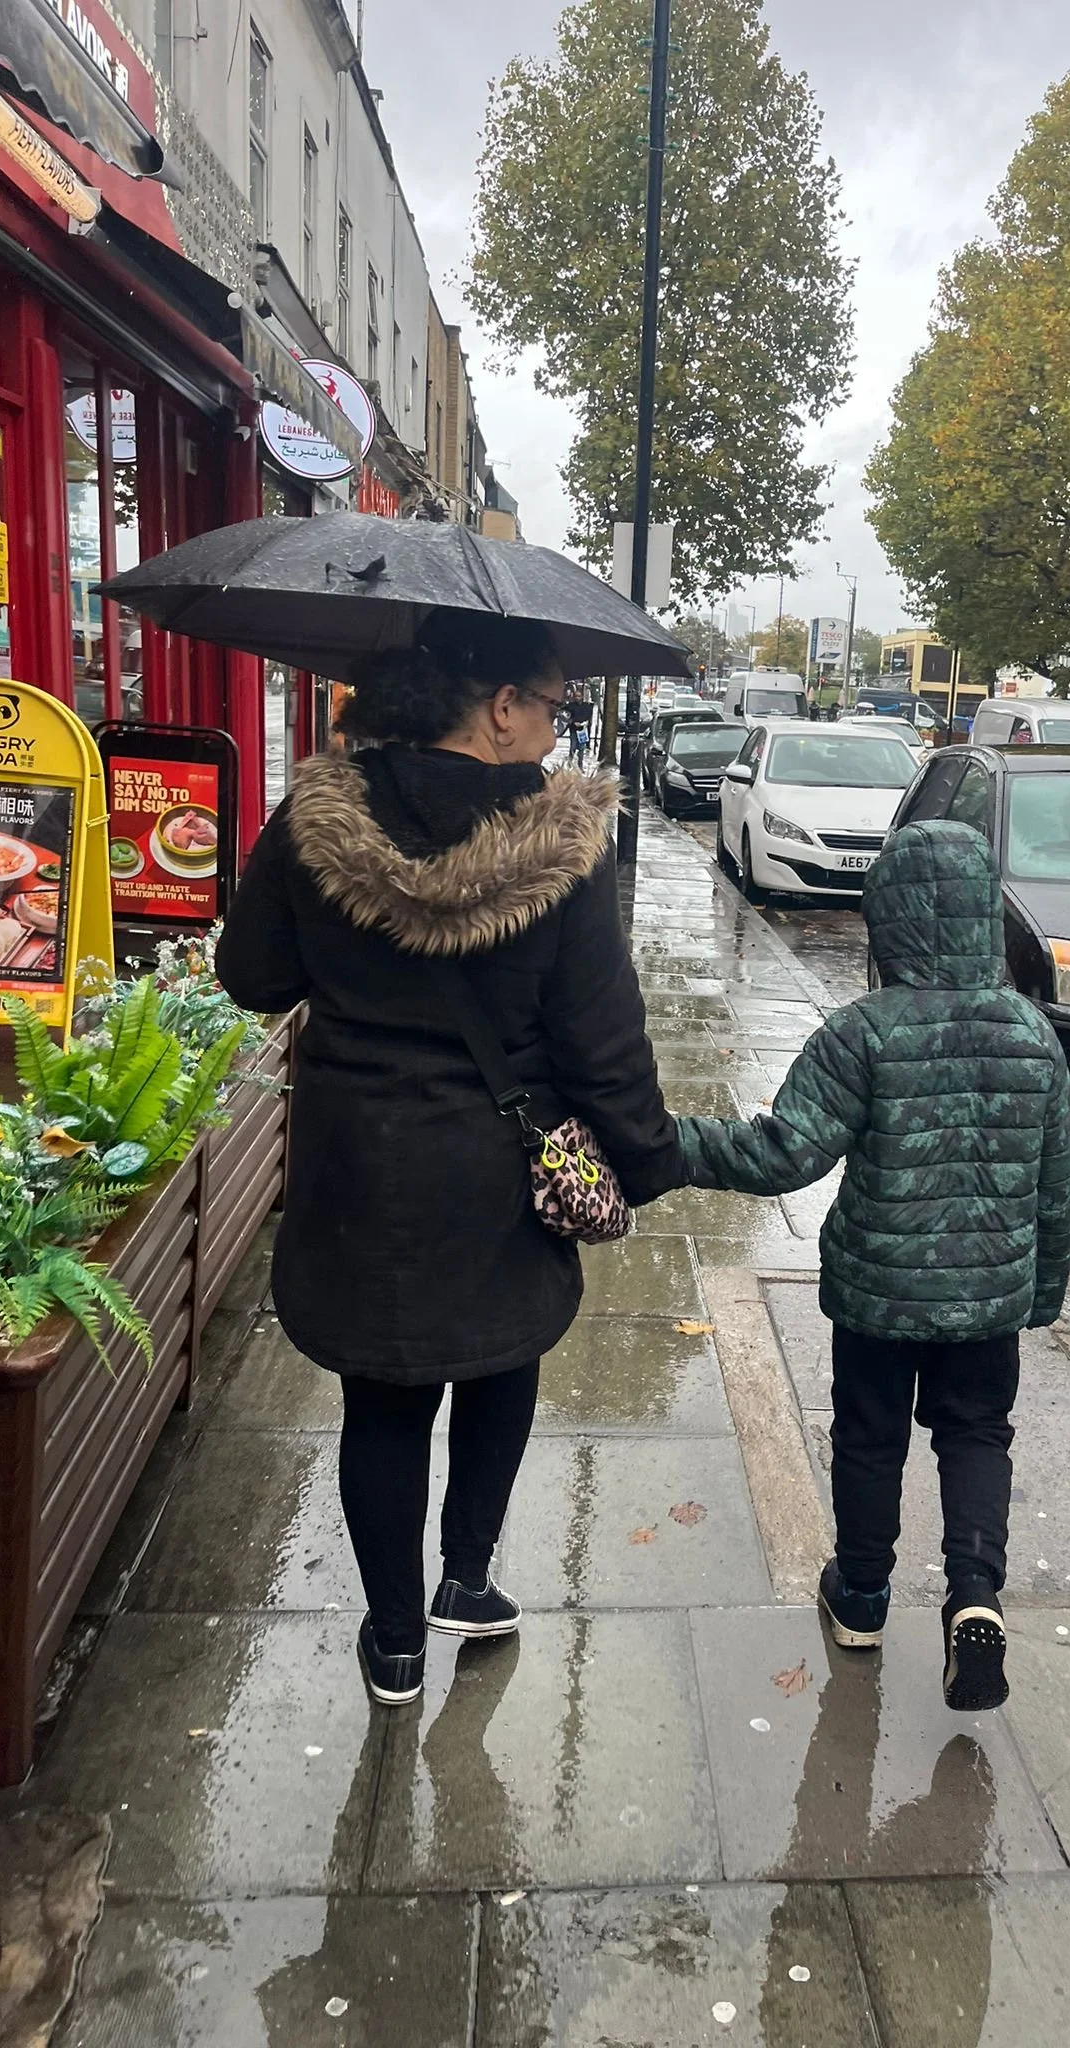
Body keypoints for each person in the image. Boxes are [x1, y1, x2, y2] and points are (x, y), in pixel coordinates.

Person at [215, 629, 680, 1707]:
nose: (561, 727)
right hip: (496, 1178)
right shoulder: (562, 847)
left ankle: (392, 1645)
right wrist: (650, 1162)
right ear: (501, 705)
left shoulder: (315, 819)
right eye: (558, 705)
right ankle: (464, 1580)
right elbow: (603, 1046)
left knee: (380, 1403)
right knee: (501, 1356)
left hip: (355, 1170)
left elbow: (251, 973)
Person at [673, 821, 1070, 1712]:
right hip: (989, 1297)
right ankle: (975, 1595)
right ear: (986, 913)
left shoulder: (862, 1034)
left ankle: (860, 1595)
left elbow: (782, 1155)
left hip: (877, 1295)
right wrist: (1039, 1293)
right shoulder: (1030, 1034)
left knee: (869, 1438)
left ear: (886, 917)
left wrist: (671, 1145)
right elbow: (1058, 1185)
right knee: (976, 1434)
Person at [566, 687, 594, 768]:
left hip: (582, 730)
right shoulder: (571, 706)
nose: (577, 698)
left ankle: (580, 765)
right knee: (573, 747)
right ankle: (569, 764)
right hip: (573, 729)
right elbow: (566, 715)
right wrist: (573, 722)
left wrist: (584, 723)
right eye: (576, 696)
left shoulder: (586, 706)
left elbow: (589, 716)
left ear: (582, 697)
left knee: (581, 748)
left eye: (579, 696)